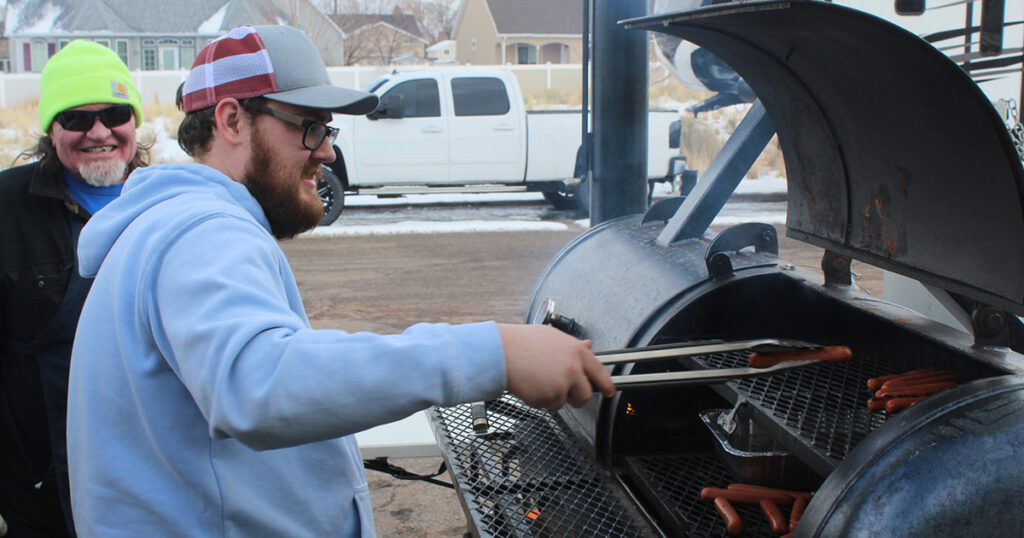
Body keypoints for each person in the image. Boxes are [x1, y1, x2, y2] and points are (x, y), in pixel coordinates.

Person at [66, 25, 614, 536]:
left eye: (327, 130)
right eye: (308, 127)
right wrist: (494, 353)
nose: (326, 150)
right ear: (232, 121)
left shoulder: (170, 226)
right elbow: (259, 385)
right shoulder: (203, 232)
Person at [0, 41, 145, 537]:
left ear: (134, 122)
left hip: (149, 470)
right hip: (41, 488)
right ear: (51, 129)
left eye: (114, 113)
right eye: (77, 118)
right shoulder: (7, 208)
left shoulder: (164, 204)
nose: (100, 131)